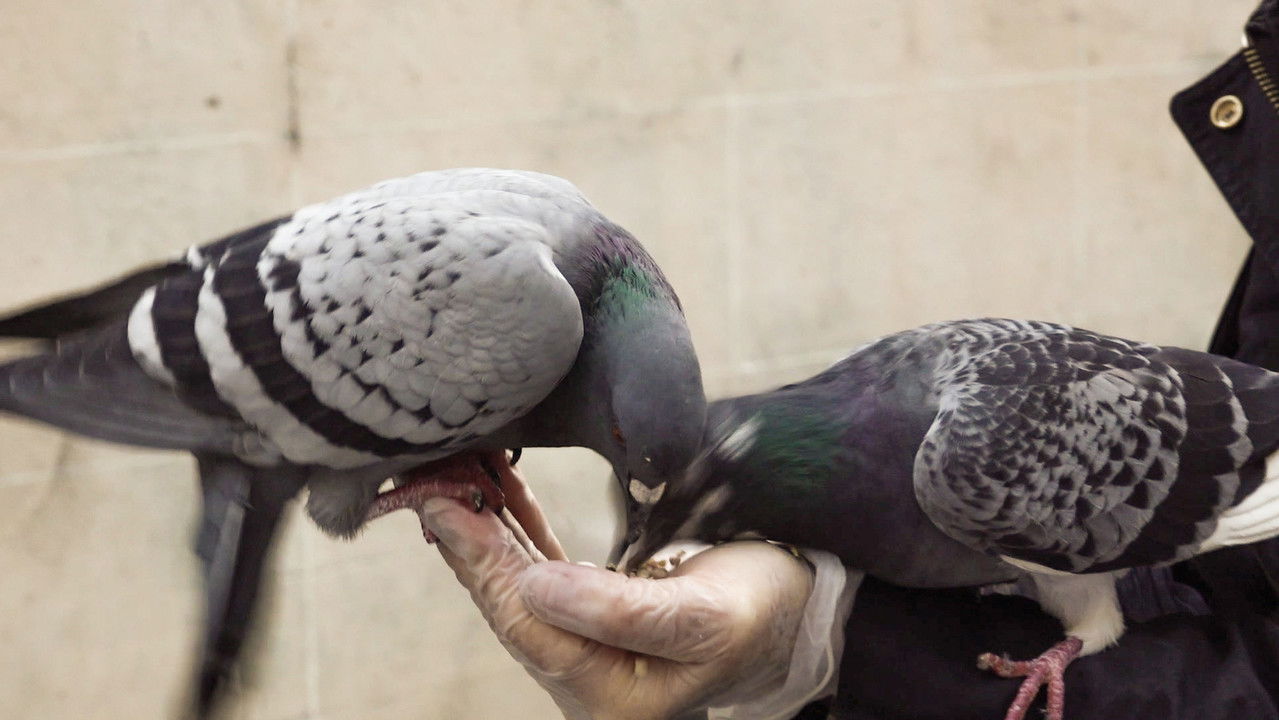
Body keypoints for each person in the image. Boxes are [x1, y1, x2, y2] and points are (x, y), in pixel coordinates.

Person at [426, 2, 1279, 717]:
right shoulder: (870, 408)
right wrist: (819, 630)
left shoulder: (970, 461)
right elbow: (1236, 601)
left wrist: (811, 640)